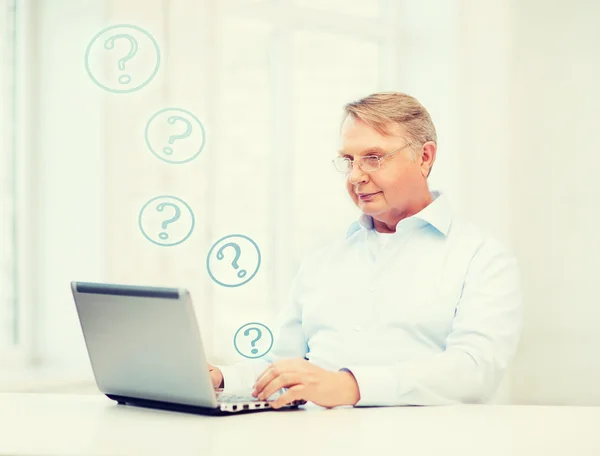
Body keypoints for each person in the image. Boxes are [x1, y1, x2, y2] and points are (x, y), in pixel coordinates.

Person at [209, 92, 523, 409]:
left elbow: (474, 370)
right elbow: (282, 366)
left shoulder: (482, 258)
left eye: (374, 158)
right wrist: (222, 378)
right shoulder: (323, 258)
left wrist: (352, 387)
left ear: (424, 157)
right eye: (349, 161)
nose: (356, 176)